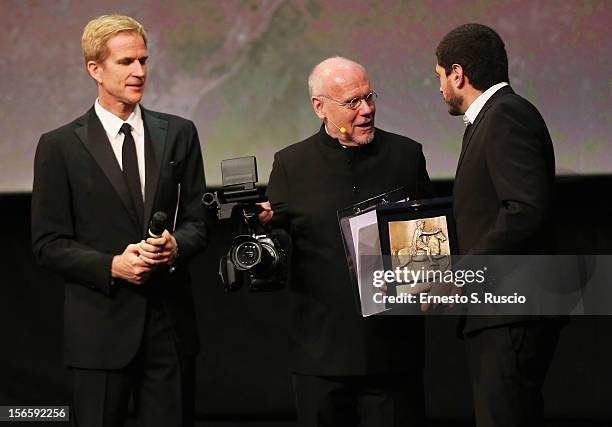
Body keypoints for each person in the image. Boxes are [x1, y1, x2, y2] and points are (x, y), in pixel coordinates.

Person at [31, 15, 206, 427]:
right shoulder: (59, 147)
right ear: (95, 69)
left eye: (143, 60)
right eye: (126, 62)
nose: (140, 72)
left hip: (169, 331)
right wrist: (113, 265)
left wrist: (175, 246)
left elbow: (198, 221)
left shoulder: (179, 133)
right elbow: (48, 243)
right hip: (99, 333)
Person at [260, 57, 432, 427]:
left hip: (392, 356)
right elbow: (280, 246)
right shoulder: (291, 165)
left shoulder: (406, 155)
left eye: (369, 97)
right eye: (352, 102)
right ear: (319, 107)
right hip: (320, 358)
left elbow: (430, 246)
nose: (367, 109)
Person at [434, 23, 561, 427]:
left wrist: (467, 269)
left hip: (512, 310)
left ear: (458, 73)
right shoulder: (493, 117)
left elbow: (523, 208)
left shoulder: (505, 115)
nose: (439, 89)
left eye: (438, 77)